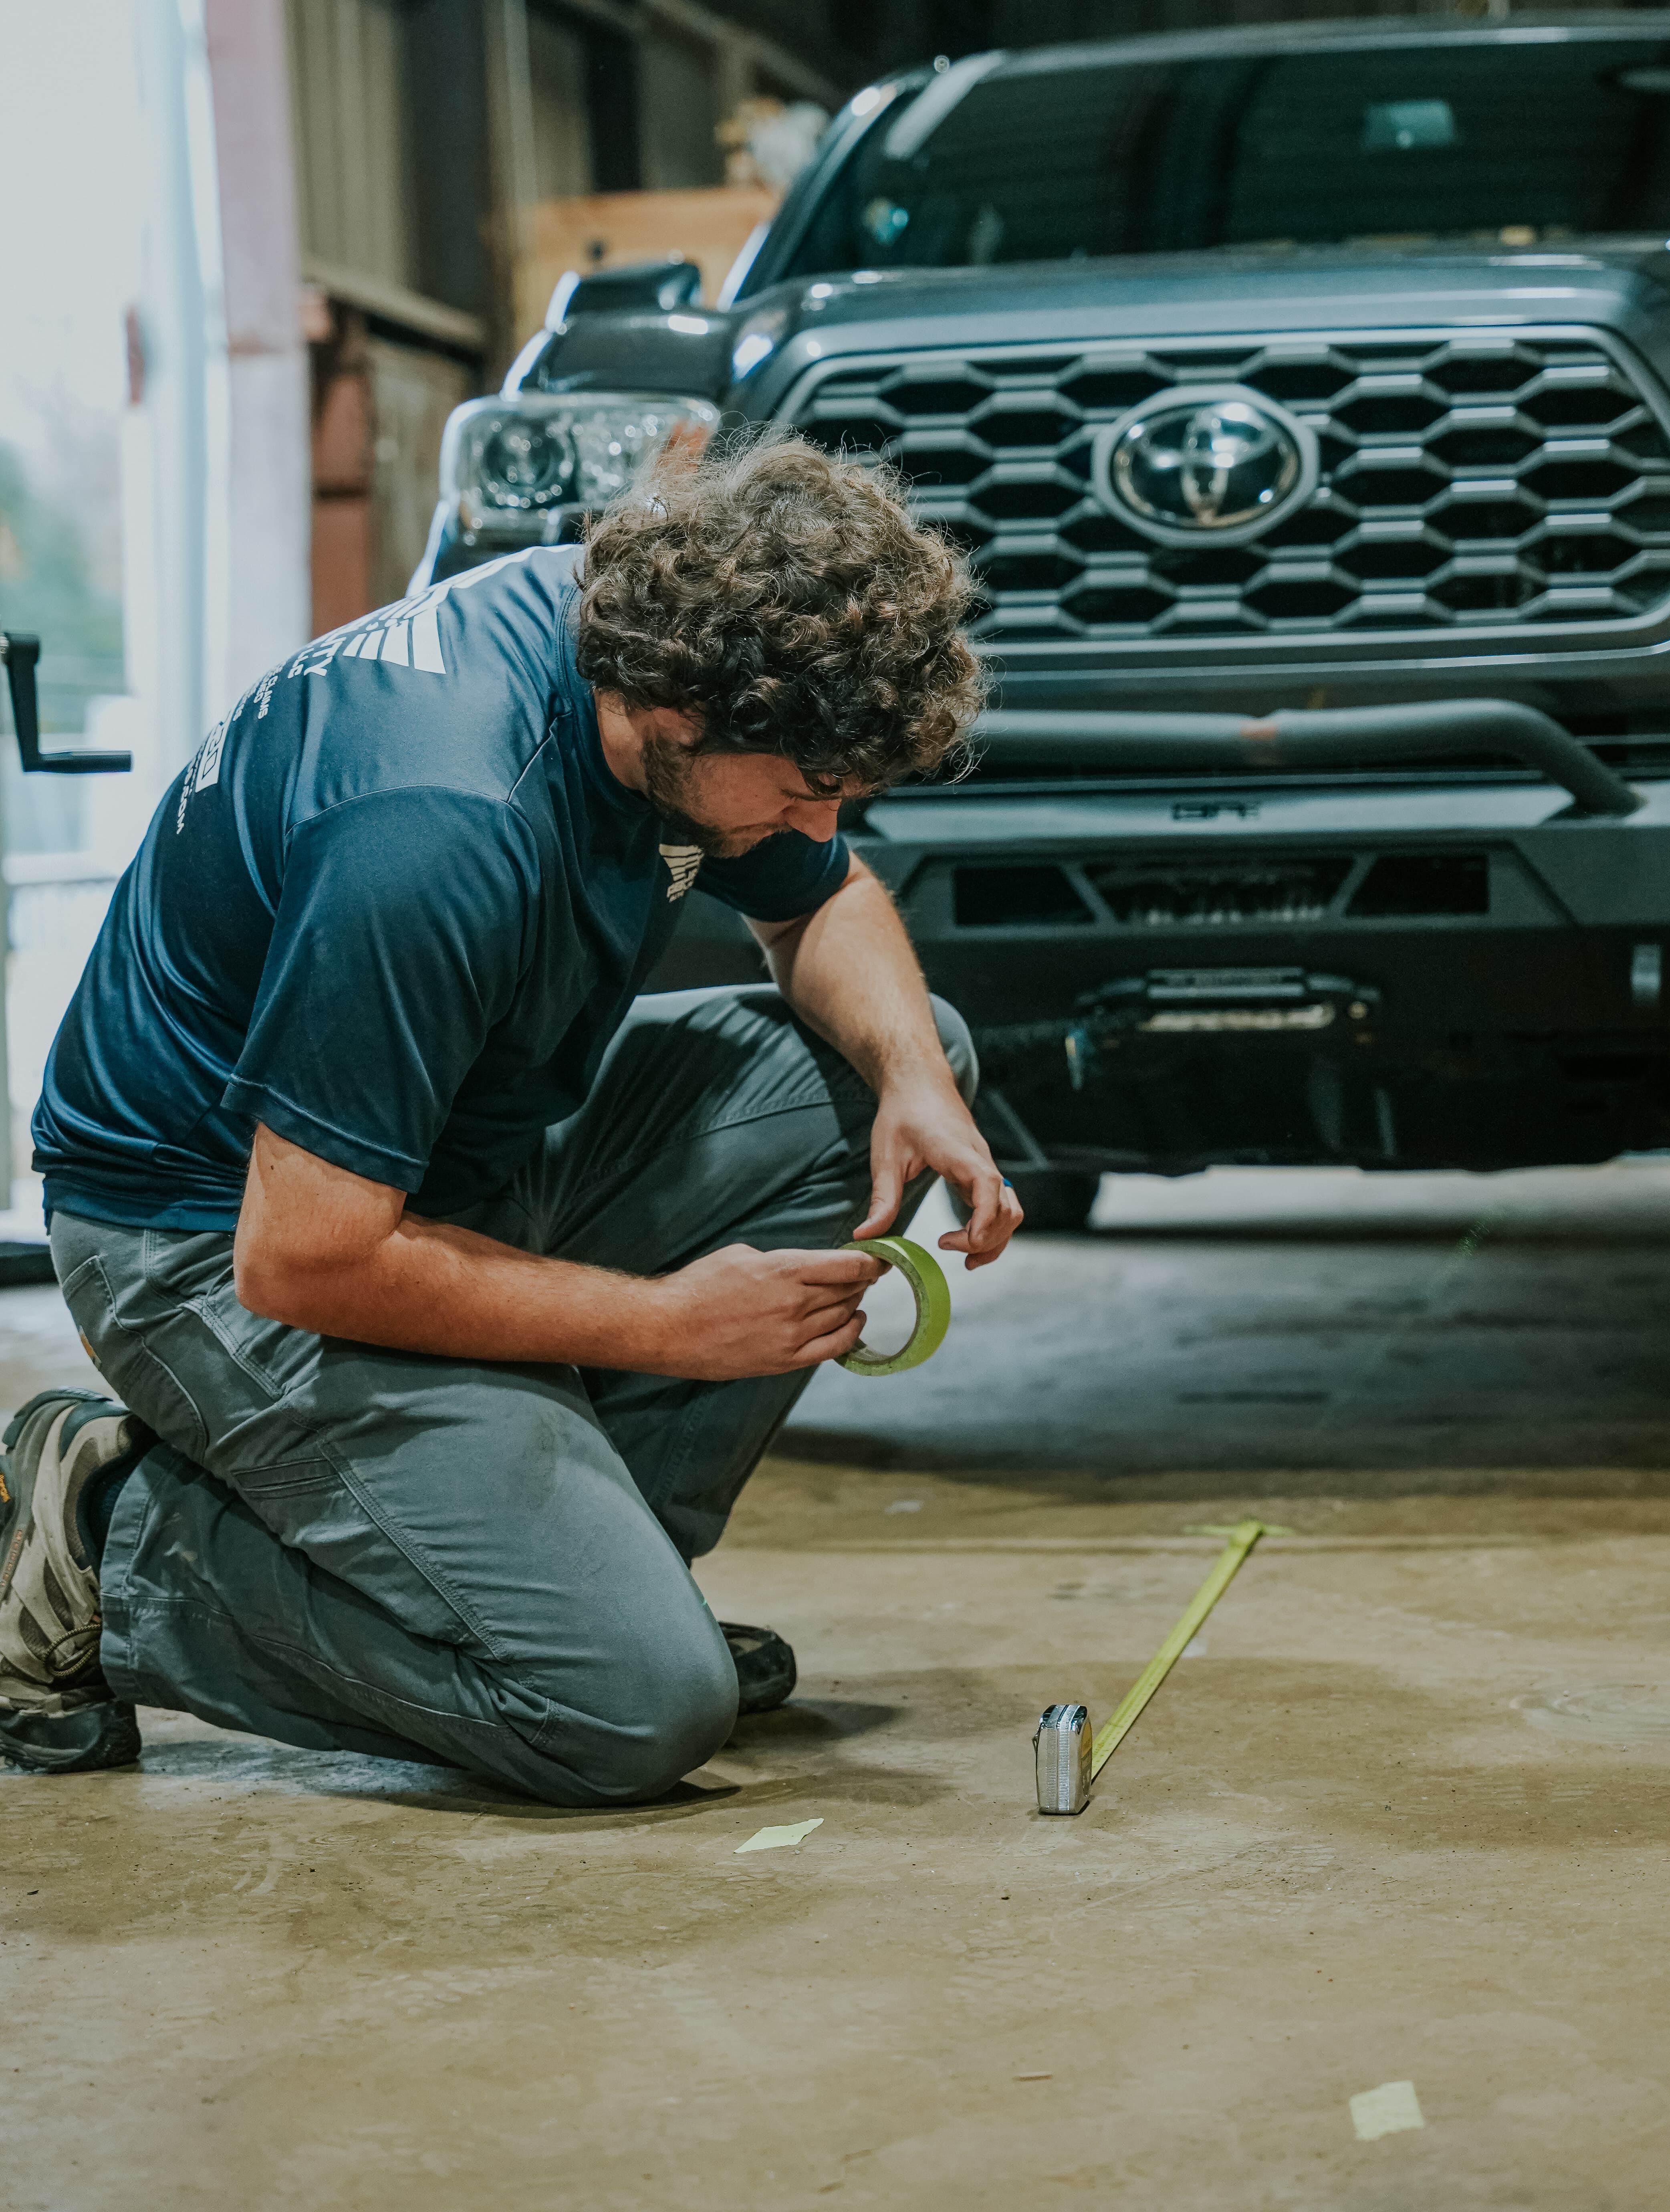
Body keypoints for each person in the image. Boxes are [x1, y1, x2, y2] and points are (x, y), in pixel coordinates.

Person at [0, 439, 1019, 1803]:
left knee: (877, 1060)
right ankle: (102, 1542)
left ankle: (578, 1579)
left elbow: (817, 902)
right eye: (800, 785)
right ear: (673, 708)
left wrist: (916, 1077)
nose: (824, 817)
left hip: (447, 1158)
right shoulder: (437, 824)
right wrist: (667, 1327)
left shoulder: (656, 639)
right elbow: (300, 1259)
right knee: (627, 1713)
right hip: (205, 1243)